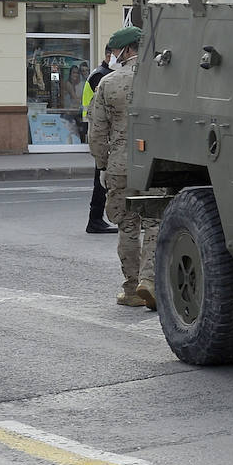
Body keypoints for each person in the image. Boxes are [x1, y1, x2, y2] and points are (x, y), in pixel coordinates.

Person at [89, 26, 156, 309]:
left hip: (120, 165)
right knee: (155, 224)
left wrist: (102, 163)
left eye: (116, 50)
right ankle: (151, 282)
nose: (113, 55)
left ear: (128, 50)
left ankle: (131, 289)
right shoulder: (161, 80)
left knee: (128, 226)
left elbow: (96, 132)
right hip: (157, 166)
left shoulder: (110, 83)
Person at [80, 48, 117, 234]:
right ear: (108, 55)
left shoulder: (106, 74)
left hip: (102, 131)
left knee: (105, 177)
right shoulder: (101, 76)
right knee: (101, 178)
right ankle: (95, 219)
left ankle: (97, 219)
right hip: (101, 132)